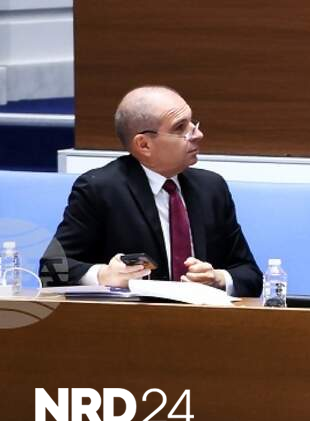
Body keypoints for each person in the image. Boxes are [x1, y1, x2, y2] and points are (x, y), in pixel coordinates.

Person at [41, 85, 262, 296]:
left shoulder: (211, 188)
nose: (198, 134)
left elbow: (250, 274)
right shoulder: (101, 189)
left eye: (192, 123)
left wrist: (218, 278)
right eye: (180, 127)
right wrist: (103, 275)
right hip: (132, 319)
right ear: (144, 145)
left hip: (204, 316)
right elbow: (51, 268)